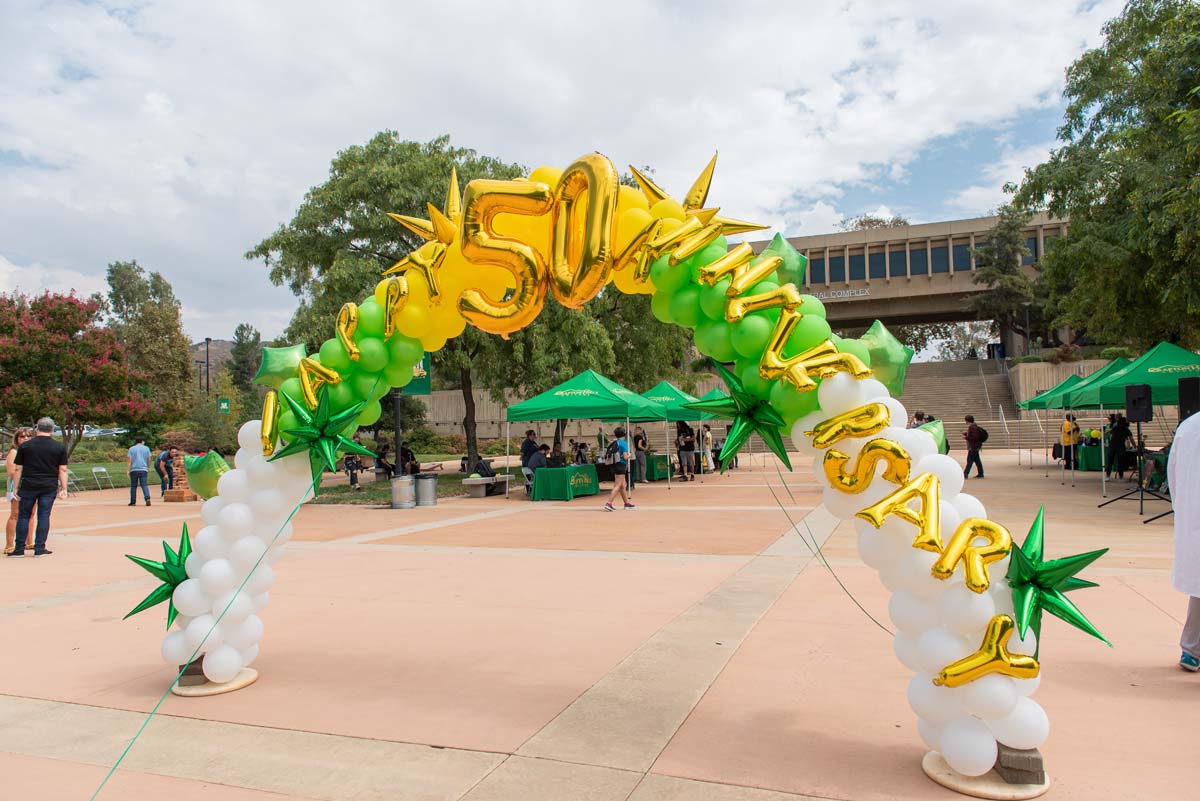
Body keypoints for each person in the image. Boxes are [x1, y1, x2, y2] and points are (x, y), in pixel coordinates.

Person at [7, 417, 68, 557]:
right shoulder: (59, 447)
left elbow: (18, 469)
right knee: (44, 516)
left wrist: (15, 488)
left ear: (37, 428)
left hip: (29, 485)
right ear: (52, 429)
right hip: (48, 485)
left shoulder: (25, 446)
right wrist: (64, 488)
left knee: (23, 516)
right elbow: (62, 469)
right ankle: (40, 548)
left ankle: (19, 548)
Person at [1168, 411, 1200, 671]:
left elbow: (1174, 476)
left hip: (1193, 521)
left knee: (1198, 589)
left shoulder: (1189, 427)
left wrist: (1183, 511)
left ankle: (1191, 650)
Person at [5, 428, 34, 554]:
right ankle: (9, 544)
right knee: (15, 514)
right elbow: (11, 472)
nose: (26, 438)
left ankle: (29, 542)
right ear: (17, 439)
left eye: (28, 436)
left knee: (31, 514)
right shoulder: (14, 452)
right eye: (22, 436)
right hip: (17, 485)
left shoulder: (31, 451)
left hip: (31, 485)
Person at [603, 426, 634, 511]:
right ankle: (609, 503)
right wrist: (630, 455)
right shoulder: (624, 443)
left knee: (622, 485)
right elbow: (625, 457)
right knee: (618, 485)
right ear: (624, 434)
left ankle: (626, 503)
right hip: (621, 465)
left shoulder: (615, 442)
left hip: (615, 465)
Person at [127, 436, 152, 507]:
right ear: (142, 441)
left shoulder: (131, 449)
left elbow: (129, 461)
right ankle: (147, 498)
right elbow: (149, 459)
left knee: (133, 486)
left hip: (134, 469)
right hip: (143, 469)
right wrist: (148, 467)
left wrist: (128, 470)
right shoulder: (146, 448)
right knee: (144, 485)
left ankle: (133, 502)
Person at [1106, 415, 1132, 480]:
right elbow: (1131, 439)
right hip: (1120, 446)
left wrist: (1105, 433)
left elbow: (1111, 434)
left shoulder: (1115, 428)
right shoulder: (1126, 430)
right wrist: (1134, 446)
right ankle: (1120, 476)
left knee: (1110, 461)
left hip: (1113, 445)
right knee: (1120, 461)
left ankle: (1108, 475)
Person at [962, 415, 985, 479]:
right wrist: (966, 434)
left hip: (973, 447)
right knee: (977, 460)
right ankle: (981, 473)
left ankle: (965, 473)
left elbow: (975, 437)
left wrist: (966, 437)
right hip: (975, 446)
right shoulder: (974, 426)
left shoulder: (972, 427)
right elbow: (974, 435)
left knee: (969, 460)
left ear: (967, 420)